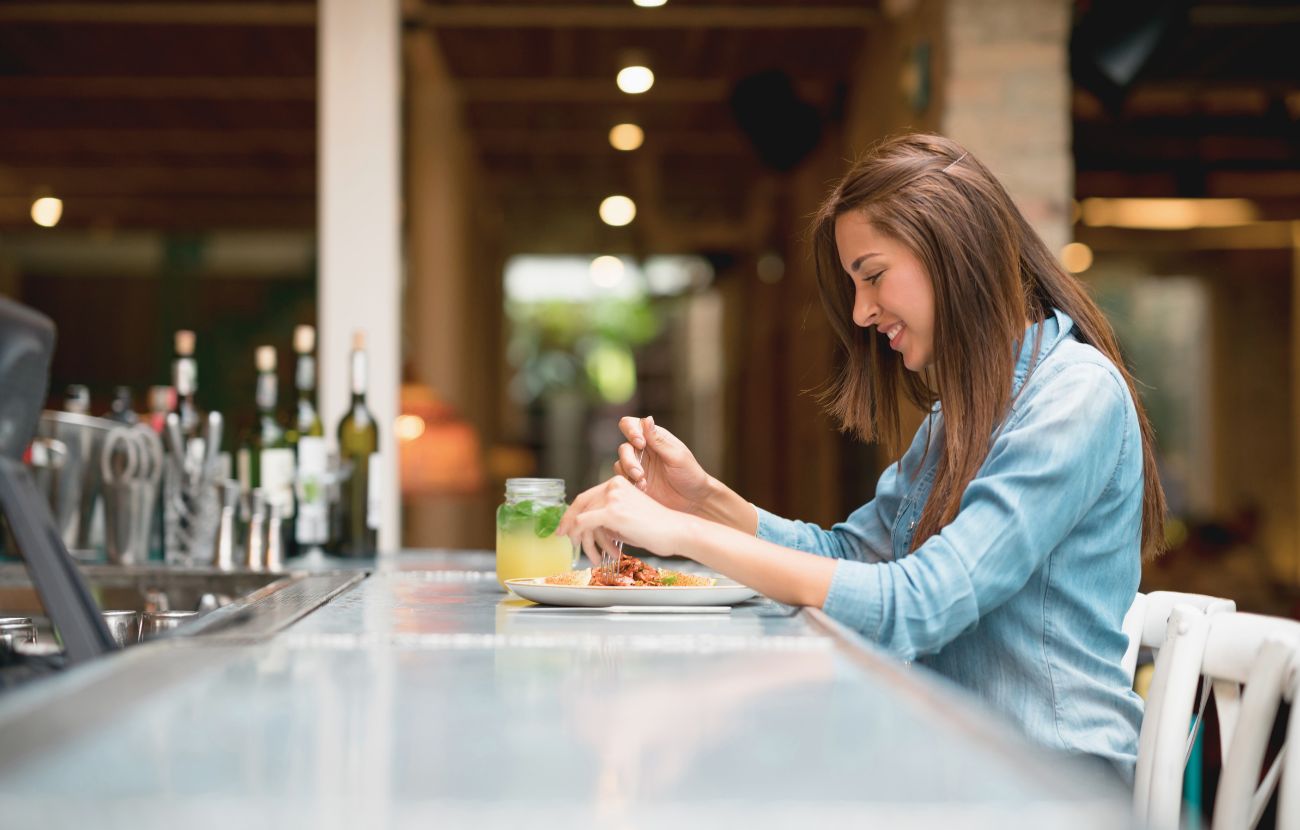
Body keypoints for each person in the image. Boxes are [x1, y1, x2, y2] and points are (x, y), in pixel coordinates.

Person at [557, 132, 1166, 782]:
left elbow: (917, 605)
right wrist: (703, 500)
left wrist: (685, 535)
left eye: (872, 276)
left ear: (952, 248)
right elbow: (851, 558)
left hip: (1050, 783)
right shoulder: (960, 415)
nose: (861, 311)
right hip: (954, 759)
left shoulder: (1073, 395)